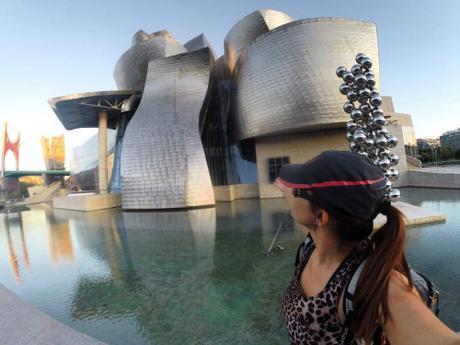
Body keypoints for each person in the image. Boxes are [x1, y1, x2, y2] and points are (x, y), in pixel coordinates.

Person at [275, 151, 460, 345]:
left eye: (297, 190)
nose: (287, 191)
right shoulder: (311, 245)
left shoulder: (378, 284)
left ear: (321, 217)